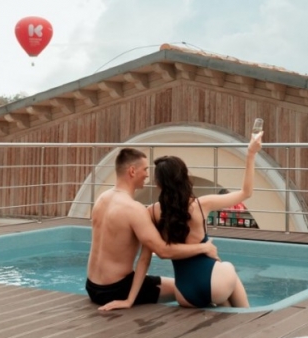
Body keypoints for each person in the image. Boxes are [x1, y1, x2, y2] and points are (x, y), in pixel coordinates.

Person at [103, 131, 263, 310]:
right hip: (216, 283)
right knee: (228, 269)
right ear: (184, 177)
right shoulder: (201, 205)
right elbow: (246, 193)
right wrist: (251, 154)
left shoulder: (152, 213)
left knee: (224, 299)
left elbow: (144, 260)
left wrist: (129, 300)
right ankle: (249, 316)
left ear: (159, 184)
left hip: (185, 294)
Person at [86, 147, 217, 311]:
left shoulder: (101, 199)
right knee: (189, 290)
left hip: (92, 287)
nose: (148, 175)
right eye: (145, 169)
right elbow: (163, 251)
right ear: (132, 171)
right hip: (117, 290)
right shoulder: (134, 209)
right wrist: (204, 247)